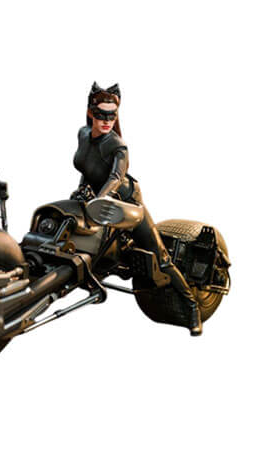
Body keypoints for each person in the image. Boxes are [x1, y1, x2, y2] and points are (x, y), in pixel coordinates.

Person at [71, 82, 202, 335]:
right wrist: (82, 191)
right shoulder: (83, 134)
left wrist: (99, 199)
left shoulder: (118, 145)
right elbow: (87, 167)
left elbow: (115, 177)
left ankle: (192, 307)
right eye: (100, 114)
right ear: (90, 113)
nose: (107, 120)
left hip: (126, 202)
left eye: (112, 115)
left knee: (161, 258)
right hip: (98, 197)